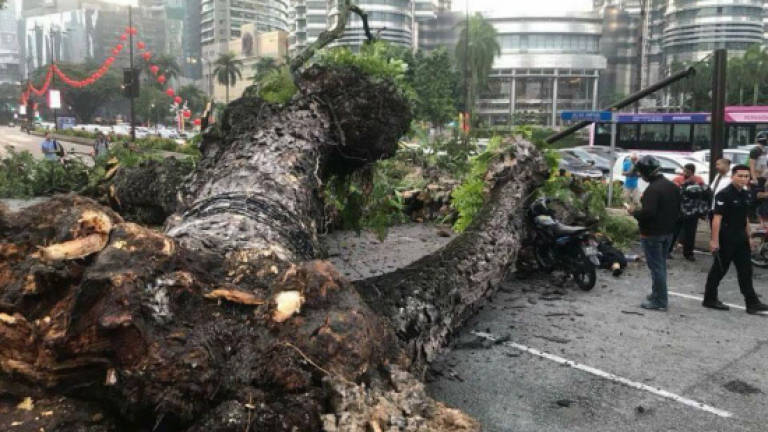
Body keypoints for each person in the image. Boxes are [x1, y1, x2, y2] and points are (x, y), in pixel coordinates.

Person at [704, 164, 768, 314]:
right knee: (719, 270)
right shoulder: (724, 194)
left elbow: (744, 218)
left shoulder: (746, 194)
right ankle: (709, 298)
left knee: (746, 270)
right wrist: (714, 241)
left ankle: (752, 303)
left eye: (746, 176)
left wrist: (749, 236)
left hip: (740, 238)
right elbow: (716, 219)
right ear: (732, 176)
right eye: (740, 175)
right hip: (726, 237)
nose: (743, 179)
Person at [629, 155, 681, 311]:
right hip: (668, 233)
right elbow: (678, 210)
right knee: (661, 265)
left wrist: (634, 212)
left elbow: (648, 213)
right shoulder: (672, 186)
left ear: (646, 173)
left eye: (641, 173)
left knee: (656, 267)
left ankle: (660, 301)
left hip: (652, 234)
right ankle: (656, 293)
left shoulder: (653, 190)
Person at [670, 163, 707, 261]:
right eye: (684, 171)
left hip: (691, 211)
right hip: (680, 210)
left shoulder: (698, 180)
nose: (684, 173)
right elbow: (674, 191)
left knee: (690, 234)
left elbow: (704, 192)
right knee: (674, 231)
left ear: (691, 171)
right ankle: (668, 251)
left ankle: (688, 253)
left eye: (686, 171)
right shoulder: (678, 179)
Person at [709, 158, 732, 222]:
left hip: (724, 209)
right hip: (713, 207)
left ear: (726, 165)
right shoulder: (718, 176)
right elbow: (712, 188)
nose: (716, 167)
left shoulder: (732, 177)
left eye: (718, 164)